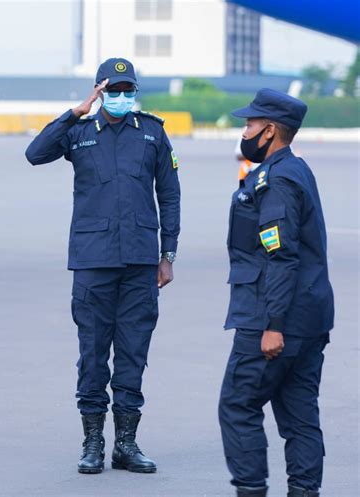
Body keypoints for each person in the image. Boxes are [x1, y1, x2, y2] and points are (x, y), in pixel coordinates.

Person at [25, 58, 180, 475]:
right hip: (93, 261)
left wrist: (168, 255)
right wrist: (75, 111)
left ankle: (126, 444)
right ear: (99, 91)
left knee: (133, 352)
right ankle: (92, 442)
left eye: (129, 90)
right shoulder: (78, 132)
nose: (123, 97)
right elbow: (34, 154)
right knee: (93, 353)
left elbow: (169, 195)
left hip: (140, 261)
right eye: (114, 90)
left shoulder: (152, 132)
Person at [218, 88, 334, 497]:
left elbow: (281, 256)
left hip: (273, 317)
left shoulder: (277, 179)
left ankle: (251, 491)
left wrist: (273, 325)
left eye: (249, 124)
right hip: (309, 317)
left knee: (237, 406)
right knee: (300, 415)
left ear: (269, 131)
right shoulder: (295, 169)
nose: (244, 131)